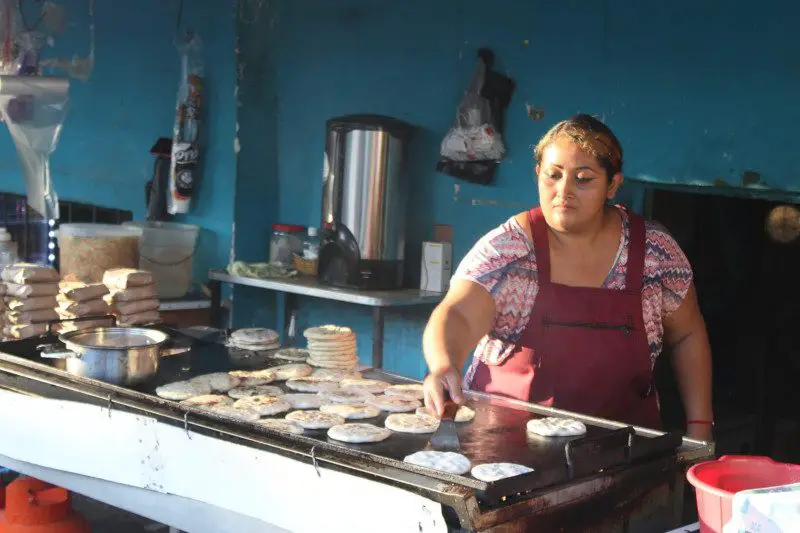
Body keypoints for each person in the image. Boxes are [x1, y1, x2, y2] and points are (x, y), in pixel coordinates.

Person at [422, 114, 713, 440]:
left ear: (613, 185)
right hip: (505, 451)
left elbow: (687, 334)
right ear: (538, 175)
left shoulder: (655, 256)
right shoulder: (509, 250)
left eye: (583, 179)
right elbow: (458, 312)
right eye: (553, 175)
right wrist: (444, 364)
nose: (564, 191)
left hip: (625, 452)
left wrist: (700, 429)